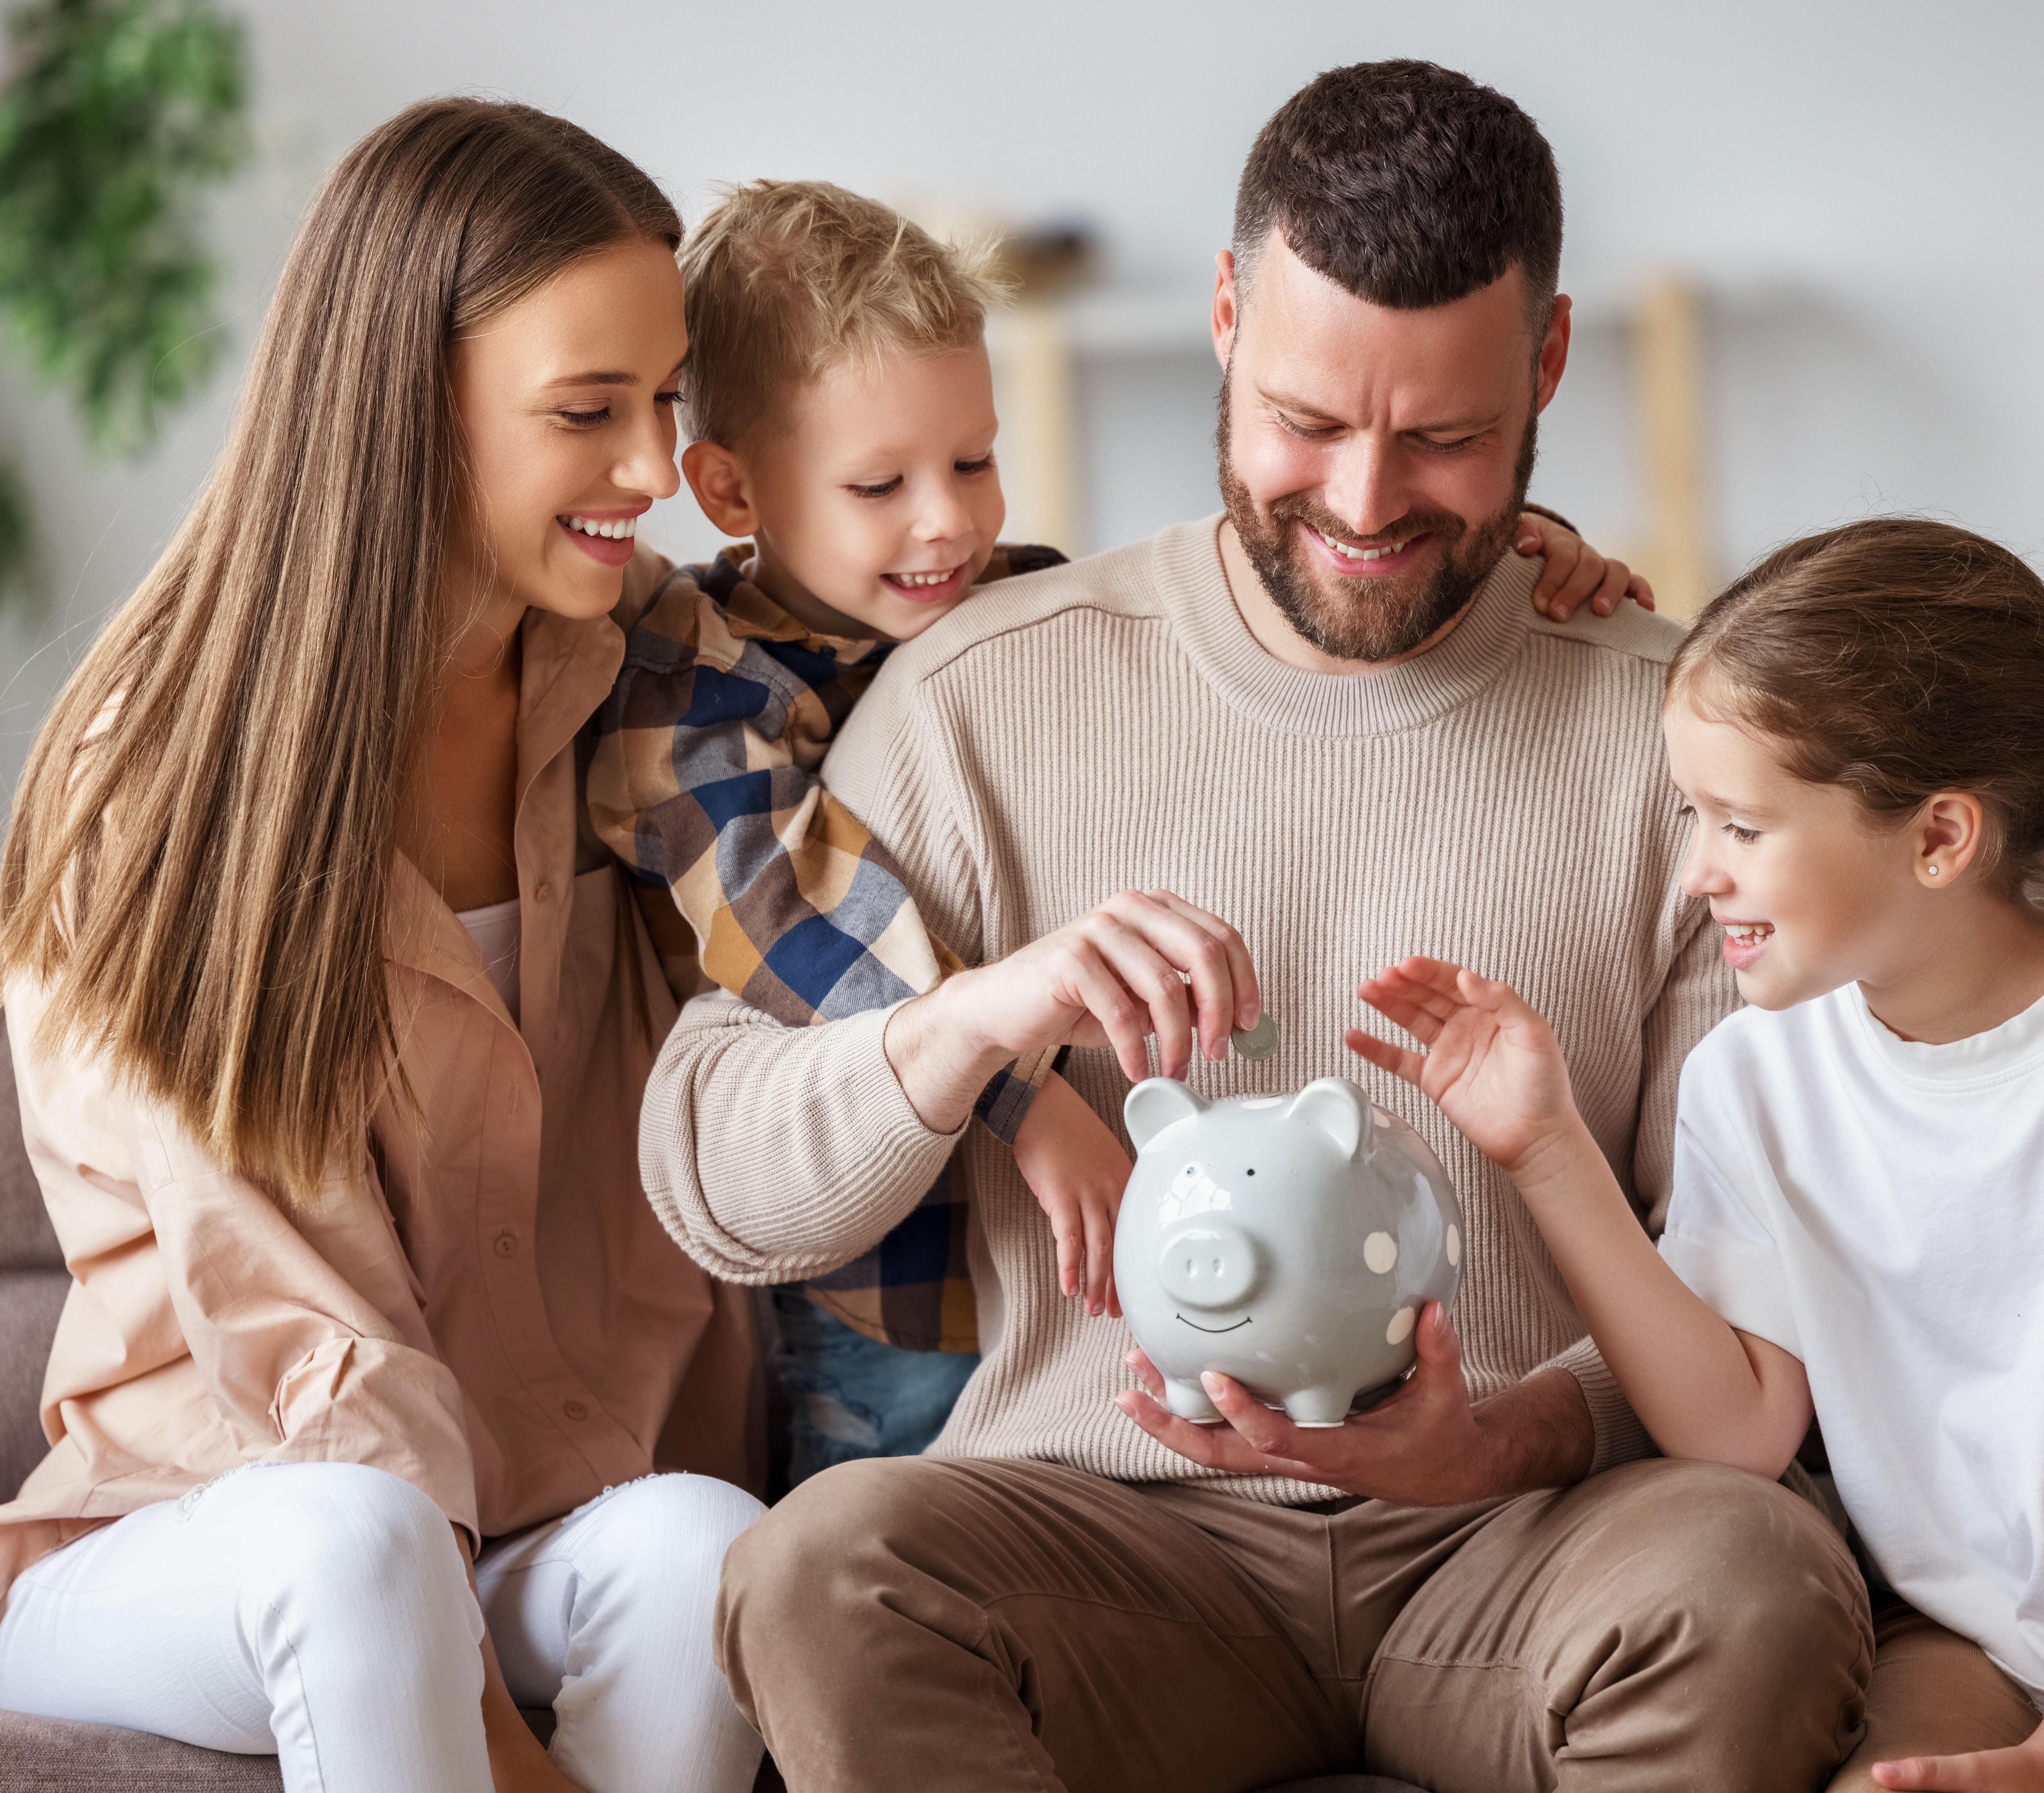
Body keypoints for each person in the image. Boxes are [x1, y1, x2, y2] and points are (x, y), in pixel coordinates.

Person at [644, 61, 1871, 1792]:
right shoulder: (974, 689)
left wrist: (1501, 1434)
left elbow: (1757, 1290)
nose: (1364, 503)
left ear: (1547, 364)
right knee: (818, 1570)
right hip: (1104, 1541)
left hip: (1532, 1536)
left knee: (1754, 1578)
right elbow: (712, 1177)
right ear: (1225, 319)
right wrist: (974, 1020)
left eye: (1442, 439)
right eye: (1307, 421)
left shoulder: (1676, 736)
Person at [589, 177, 1648, 1490]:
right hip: (883, 1283)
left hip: (1051, 1282)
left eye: (973, 463)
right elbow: (805, 937)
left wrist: (1506, 550)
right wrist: (1028, 1102)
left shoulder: (1008, 611)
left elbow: (1243, 580)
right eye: (879, 484)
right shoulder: (695, 700)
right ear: (728, 488)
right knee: (883, 1514)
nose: (947, 522)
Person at [1352, 518, 2044, 1793]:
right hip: (1977, 1626)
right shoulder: (1754, 1076)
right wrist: (1546, 1150)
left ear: (1938, 839)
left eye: (1741, 827)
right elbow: (1738, 1427)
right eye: (1691, 816)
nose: (1696, 874)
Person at [0, 100, 766, 1793]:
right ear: (410, 402)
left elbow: (889, 672)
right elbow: (291, 1317)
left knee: (702, 1544)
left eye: (666, 398)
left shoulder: (643, 679)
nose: (652, 470)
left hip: (537, 1504)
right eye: (586, 412)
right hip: (198, 1523)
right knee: (357, 1541)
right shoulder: (164, 769)